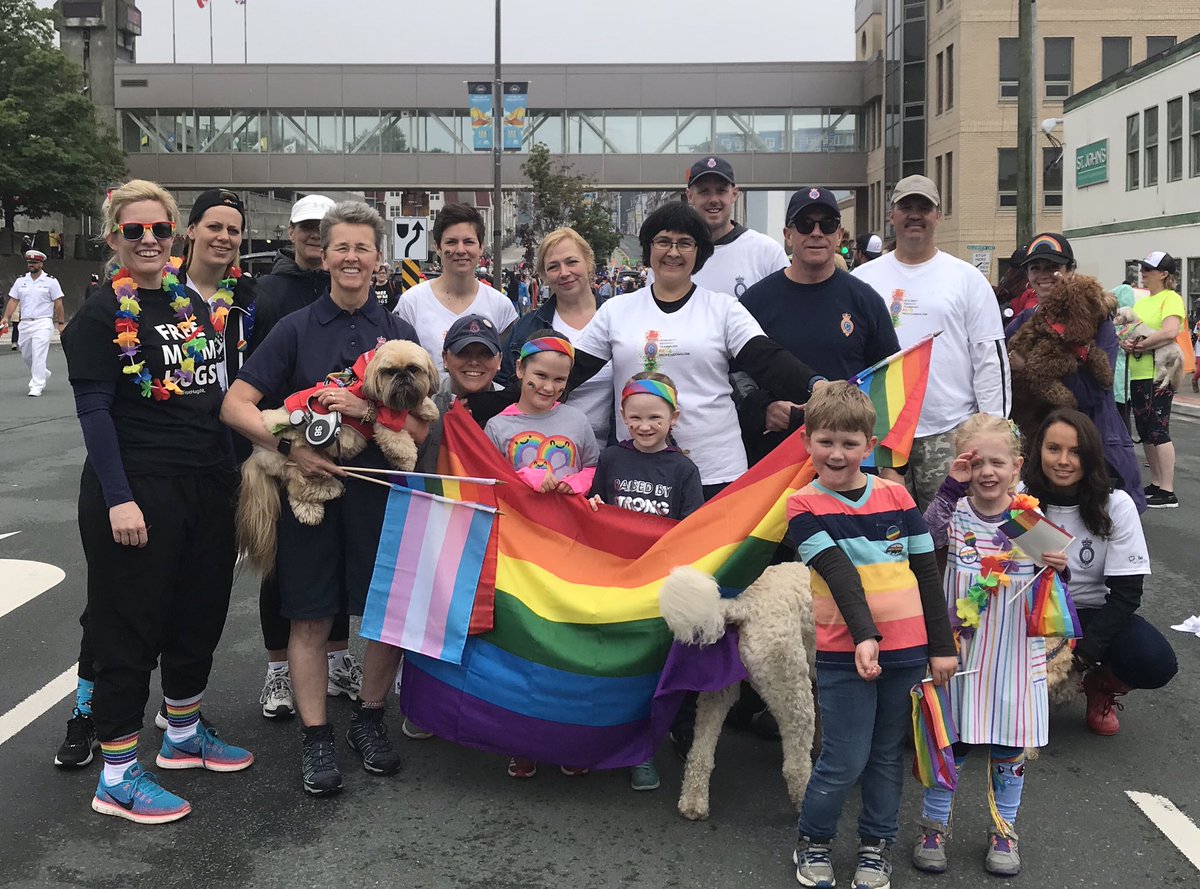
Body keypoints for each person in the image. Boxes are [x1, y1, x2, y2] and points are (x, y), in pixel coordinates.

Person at [61, 179, 252, 824]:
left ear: (174, 236)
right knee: (129, 628)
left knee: (198, 613)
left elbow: (211, 398)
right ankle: (116, 773)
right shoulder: (97, 316)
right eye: (134, 231)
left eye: (159, 230)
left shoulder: (192, 305)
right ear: (113, 236)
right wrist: (119, 499)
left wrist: (234, 480)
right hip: (137, 491)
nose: (148, 241)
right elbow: (94, 410)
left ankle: (182, 735)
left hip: (205, 484)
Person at [221, 201, 427, 796]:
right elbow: (235, 406)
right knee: (309, 616)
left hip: (380, 497)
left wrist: (368, 410)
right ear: (324, 253)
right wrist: (289, 449)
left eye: (363, 247)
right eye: (342, 247)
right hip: (310, 495)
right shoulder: (295, 328)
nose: (352, 258)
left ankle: (367, 720)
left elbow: (419, 430)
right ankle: (316, 738)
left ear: (377, 257)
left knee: (383, 619)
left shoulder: (398, 334)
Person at [786, 382, 957, 889]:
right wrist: (865, 636)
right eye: (826, 442)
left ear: (870, 444)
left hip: (906, 653)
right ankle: (814, 839)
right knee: (844, 757)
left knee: (886, 754)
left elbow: (927, 571)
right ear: (807, 441)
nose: (837, 454)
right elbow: (838, 574)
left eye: (849, 443)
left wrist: (941, 646)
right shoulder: (802, 506)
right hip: (845, 653)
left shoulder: (898, 495)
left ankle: (875, 845)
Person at [570, 203, 824, 499]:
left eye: (685, 243)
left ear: (699, 252)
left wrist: (816, 385)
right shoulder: (616, 310)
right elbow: (569, 371)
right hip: (638, 474)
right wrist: (515, 399)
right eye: (663, 241)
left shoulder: (723, 309)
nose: (673, 252)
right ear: (648, 248)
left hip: (716, 469)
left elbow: (767, 358)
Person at [911, 414, 1067, 878]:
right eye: (975, 462)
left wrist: (1060, 567)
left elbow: (1056, 581)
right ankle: (934, 825)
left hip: (1013, 653)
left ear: (1017, 466)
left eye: (997, 462)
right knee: (949, 739)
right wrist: (947, 488)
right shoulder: (954, 511)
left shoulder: (1029, 518)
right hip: (959, 649)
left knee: (1008, 744)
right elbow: (921, 540)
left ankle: (1004, 829)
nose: (986, 472)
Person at [242, 194, 361, 722]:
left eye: (324, 229)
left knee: (334, 568)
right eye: (308, 228)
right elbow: (244, 379)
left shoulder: (364, 297)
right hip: (281, 447)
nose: (317, 237)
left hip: (346, 450)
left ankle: (336, 660)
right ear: (291, 233)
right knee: (280, 567)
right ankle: (276, 668)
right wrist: (280, 444)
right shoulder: (265, 292)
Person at [852, 175, 1010, 511]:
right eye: (905, 207)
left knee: (950, 532)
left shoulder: (966, 278)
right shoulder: (862, 280)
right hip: (879, 432)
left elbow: (990, 360)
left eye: (924, 207)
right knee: (885, 536)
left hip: (949, 430)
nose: (914, 215)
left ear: (938, 215)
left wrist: (995, 434)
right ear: (891, 215)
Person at [484, 330, 599, 779]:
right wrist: (523, 479)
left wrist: (576, 484)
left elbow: (593, 466)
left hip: (568, 550)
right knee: (524, 645)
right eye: (539, 376)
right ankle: (523, 740)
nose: (548, 387)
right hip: (518, 554)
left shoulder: (576, 421)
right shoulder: (499, 426)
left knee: (565, 645)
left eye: (558, 380)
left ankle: (568, 738)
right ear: (519, 371)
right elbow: (489, 481)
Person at [1023, 409, 1176, 735]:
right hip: (1030, 613)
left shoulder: (1116, 504)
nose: (1063, 460)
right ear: (1039, 451)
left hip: (1090, 614)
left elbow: (1126, 595)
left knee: (1155, 660)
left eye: (1076, 452)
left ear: (1090, 455)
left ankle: (1100, 686)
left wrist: (1080, 660)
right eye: (1054, 449)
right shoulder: (1020, 497)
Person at [587, 372, 703, 792]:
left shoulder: (684, 469)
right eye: (635, 418)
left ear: (674, 417)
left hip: (659, 589)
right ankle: (604, 742)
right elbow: (593, 507)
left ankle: (643, 753)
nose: (644, 426)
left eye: (655, 417)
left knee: (651, 676)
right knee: (617, 670)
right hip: (616, 581)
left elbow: (692, 531)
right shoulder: (612, 459)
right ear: (622, 416)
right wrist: (593, 505)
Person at [739, 187, 900, 465]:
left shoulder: (865, 300)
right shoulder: (755, 300)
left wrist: (891, 463)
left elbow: (889, 383)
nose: (816, 232)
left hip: (847, 463)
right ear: (788, 235)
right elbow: (734, 374)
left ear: (839, 235)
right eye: (805, 224)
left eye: (827, 225)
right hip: (773, 460)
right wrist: (762, 409)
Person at [1004, 232, 1144, 512]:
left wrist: (1028, 368)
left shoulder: (1096, 321)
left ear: (1071, 270)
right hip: (1039, 453)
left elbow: (1092, 393)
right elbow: (999, 364)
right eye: (1035, 268)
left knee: (1099, 535)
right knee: (1038, 540)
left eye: (1052, 267)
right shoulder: (1025, 320)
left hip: (1091, 448)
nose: (1043, 275)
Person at [502, 228, 614, 444]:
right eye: (553, 267)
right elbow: (506, 389)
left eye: (572, 262)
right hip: (542, 450)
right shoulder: (527, 328)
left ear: (589, 263)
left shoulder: (619, 320)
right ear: (543, 276)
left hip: (613, 453)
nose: (564, 272)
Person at [394, 203, 518, 374]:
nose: (460, 250)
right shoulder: (411, 302)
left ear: (481, 247)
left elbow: (508, 372)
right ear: (438, 247)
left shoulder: (501, 307)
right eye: (451, 242)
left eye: (468, 242)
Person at [672, 155, 788, 298]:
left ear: (734, 194)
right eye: (704, 191)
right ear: (690, 196)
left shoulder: (767, 252)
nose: (714, 200)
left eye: (721, 191)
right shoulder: (671, 257)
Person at [1126, 251, 1185, 508]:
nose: (1144, 272)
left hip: (1160, 373)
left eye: (1149, 268)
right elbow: (1129, 329)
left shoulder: (1171, 298)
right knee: (1145, 429)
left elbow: (1171, 331)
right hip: (1139, 372)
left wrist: (1141, 345)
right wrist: (1127, 342)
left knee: (1159, 428)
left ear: (1164, 274)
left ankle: (1168, 489)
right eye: (1143, 268)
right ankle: (1156, 482)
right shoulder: (1141, 302)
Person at [2, 249, 66, 396]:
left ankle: (36, 385)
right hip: (25, 323)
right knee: (26, 354)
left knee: (38, 353)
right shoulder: (21, 281)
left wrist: (60, 322)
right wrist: (6, 317)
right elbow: (13, 300)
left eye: (35, 262)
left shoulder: (51, 281)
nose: (31, 265)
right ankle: (42, 372)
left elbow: (58, 303)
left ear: (41, 264)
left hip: (43, 322)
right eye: (30, 262)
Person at [1109, 271, 1145, 420]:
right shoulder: (1136, 325)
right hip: (1128, 379)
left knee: (1117, 419)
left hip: (1116, 380)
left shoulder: (1112, 326)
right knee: (1124, 419)